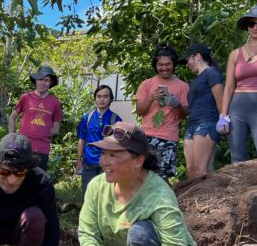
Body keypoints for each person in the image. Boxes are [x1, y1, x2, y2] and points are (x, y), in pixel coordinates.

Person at [64, 122, 197, 246]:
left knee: (140, 233)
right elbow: (88, 232)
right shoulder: (97, 186)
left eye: (113, 155)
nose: (104, 161)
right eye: (103, 154)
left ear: (138, 161)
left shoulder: (159, 194)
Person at [217, 4, 257, 162]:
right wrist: (223, 115)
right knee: (236, 161)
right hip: (236, 108)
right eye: (251, 23)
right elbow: (229, 87)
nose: (255, 27)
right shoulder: (235, 54)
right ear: (246, 26)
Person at [135, 45, 189, 180]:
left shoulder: (182, 86)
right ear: (155, 65)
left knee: (162, 176)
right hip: (146, 137)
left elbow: (184, 114)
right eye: (160, 64)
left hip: (168, 137)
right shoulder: (146, 84)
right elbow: (139, 111)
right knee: (142, 175)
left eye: (168, 64)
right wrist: (151, 98)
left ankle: (164, 201)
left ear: (174, 64)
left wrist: (176, 104)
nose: (164, 68)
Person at [179, 43, 224, 177]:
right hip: (192, 125)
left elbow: (220, 101)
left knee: (200, 171)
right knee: (191, 171)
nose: (187, 64)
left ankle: (206, 198)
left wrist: (224, 120)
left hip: (206, 122)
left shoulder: (212, 72)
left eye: (188, 60)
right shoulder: (196, 79)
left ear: (197, 56)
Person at [8, 65, 62, 171]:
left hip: (42, 149)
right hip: (23, 147)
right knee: (20, 179)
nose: (43, 83)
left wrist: (43, 132)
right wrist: (12, 138)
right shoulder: (26, 97)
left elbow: (56, 128)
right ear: (36, 81)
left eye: (46, 80)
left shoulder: (54, 102)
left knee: (37, 181)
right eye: (40, 79)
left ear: (50, 83)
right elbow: (12, 118)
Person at [75, 84, 122, 199]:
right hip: (88, 163)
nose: (102, 99)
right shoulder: (87, 118)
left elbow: (119, 144)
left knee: (106, 196)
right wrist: (79, 159)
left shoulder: (115, 119)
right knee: (87, 195)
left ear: (111, 99)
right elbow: (81, 139)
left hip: (107, 164)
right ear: (95, 98)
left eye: (105, 97)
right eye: (99, 96)